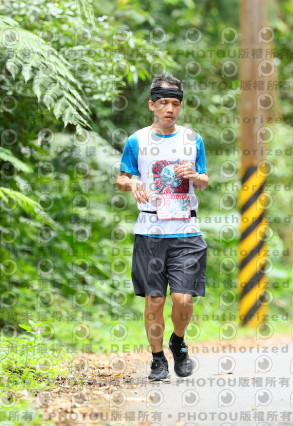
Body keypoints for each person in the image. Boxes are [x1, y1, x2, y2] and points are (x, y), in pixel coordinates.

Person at [116, 74, 209, 381]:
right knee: (155, 300)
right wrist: (133, 183)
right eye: (164, 103)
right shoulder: (137, 141)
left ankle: (178, 342)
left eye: (175, 104)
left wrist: (194, 176)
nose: (170, 109)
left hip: (186, 231)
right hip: (150, 232)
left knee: (183, 299)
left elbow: (204, 181)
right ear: (151, 105)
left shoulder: (193, 139)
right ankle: (157, 359)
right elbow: (121, 179)